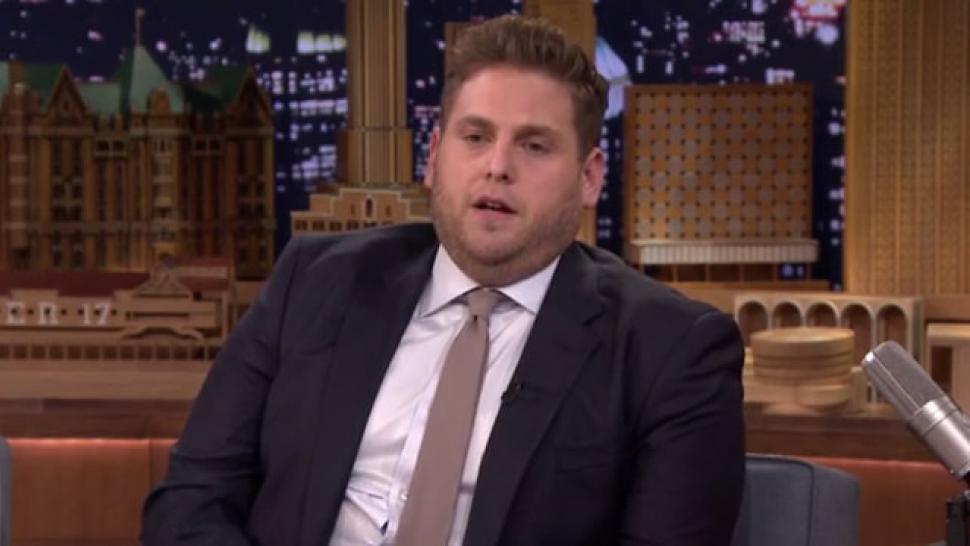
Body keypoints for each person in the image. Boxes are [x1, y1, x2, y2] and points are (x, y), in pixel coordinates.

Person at [141, 14, 744, 546]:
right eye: (475, 137)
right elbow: (190, 501)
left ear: (589, 178)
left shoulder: (672, 349)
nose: (497, 167)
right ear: (433, 157)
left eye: (535, 146)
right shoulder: (315, 281)